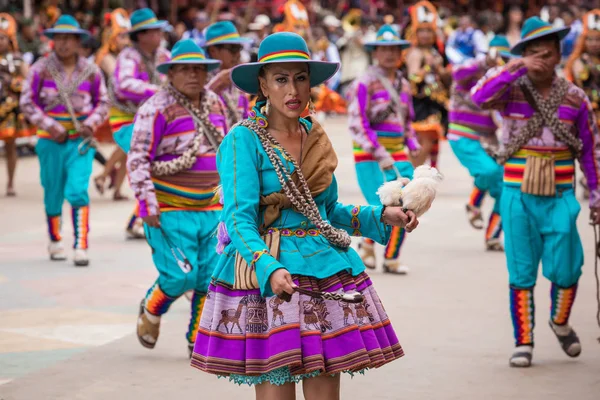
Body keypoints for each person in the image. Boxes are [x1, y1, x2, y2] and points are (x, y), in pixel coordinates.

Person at [190, 31, 418, 399]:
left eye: (300, 77)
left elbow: (325, 212)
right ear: (263, 85)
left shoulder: (316, 135)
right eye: (281, 79)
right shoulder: (242, 140)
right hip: (270, 277)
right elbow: (239, 219)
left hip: (323, 273)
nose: (292, 89)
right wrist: (268, 267)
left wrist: (382, 215)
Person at [471, 16, 600, 368]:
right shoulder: (509, 89)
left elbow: (591, 149)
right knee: (521, 271)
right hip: (517, 194)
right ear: (523, 55)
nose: (541, 58)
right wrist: (516, 67)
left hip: (560, 195)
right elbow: (478, 96)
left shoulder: (576, 97)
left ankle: (559, 323)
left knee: (568, 267)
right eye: (533, 52)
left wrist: (598, 196)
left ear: (560, 53)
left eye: (547, 51)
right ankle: (524, 342)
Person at [128, 39, 226, 357]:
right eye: (184, 69)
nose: (193, 75)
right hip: (170, 208)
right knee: (180, 276)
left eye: (198, 69)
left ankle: (197, 338)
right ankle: (152, 309)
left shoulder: (216, 104)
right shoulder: (154, 108)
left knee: (209, 276)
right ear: (171, 74)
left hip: (212, 207)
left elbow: (226, 149)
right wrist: (146, 202)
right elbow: (138, 157)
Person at [20, 15, 109, 266]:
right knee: (53, 191)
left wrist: (90, 124)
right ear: (52, 41)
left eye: (69, 39)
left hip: (80, 141)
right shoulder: (40, 68)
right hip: (50, 140)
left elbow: (103, 102)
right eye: (59, 38)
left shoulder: (91, 71)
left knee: (78, 190)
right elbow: (26, 102)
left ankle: (81, 244)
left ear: (78, 41)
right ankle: (55, 239)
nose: (64, 44)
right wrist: (51, 125)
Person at [348, 25, 420, 274]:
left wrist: (413, 144)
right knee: (380, 205)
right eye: (384, 49)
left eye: (394, 49)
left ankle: (389, 256)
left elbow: (407, 120)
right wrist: (379, 152)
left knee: (408, 203)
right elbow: (358, 122)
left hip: (397, 150)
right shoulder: (364, 82)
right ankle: (369, 245)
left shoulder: (402, 82)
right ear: (375, 52)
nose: (389, 54)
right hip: (369, 153)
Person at [447, 35, 512, 251]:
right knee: (490, 172)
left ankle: (493, 235)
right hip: (464, 135)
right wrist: (486, 63)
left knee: (506, 187)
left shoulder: (506, 82)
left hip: (491, 141)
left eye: (505, 58)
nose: (500, 62)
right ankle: (474, 205)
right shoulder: (470, 73)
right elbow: (457, 72)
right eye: (497, 57)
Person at [113, 8, 170, 239]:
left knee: (158, 166)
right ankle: (140, 217)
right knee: (149, 164)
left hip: (155, 118)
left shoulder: (163, 55)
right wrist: (158, 91)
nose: (159, 35)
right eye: (154, 31)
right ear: (141, 35)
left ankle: (137, 219)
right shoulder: (129, 57)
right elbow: (123, 85)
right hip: (126, 120)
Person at [405, 1, 450, 170]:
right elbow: (412, 78)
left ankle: (426, 173)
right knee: (423, 142)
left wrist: (442, 71)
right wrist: (429, 67)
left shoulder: (435, 53)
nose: (425, 35)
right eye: (421, 31)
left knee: (431, 140)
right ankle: (411, 174)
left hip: (435, 102)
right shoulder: (415, 53)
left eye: (428, 31)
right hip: (421, 104)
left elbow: (444, 78)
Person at [93, 8, 132, 201]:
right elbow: (120, 82)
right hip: (117, 109)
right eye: (121, 37)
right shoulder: (106, 57)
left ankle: (116, 190)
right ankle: (103, 174)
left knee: (127, 151)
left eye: (127, 37)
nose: (126, 41)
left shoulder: (129, 56)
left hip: (133, 108)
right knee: (129, 144)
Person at [564, 9, 600, 200]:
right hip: (586, 115)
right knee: (590, 151)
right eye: (591, 39)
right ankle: (589, 181)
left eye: (598, 39)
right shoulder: (577, 62)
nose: (594, 44)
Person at [0, 13, 33, 197]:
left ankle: (10, 183)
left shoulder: (18, 60)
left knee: (10, 146)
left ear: (9, 39)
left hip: (8, 111)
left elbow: (29, 84)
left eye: (2, 37)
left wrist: (11, 83)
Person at [204, 21, 252, 128]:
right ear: (213, 51)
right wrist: (214, 87)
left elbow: (246, 120)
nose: (238, 55)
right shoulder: (199, 81)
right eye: (233, 49)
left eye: (239, 48)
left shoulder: (239, 82)